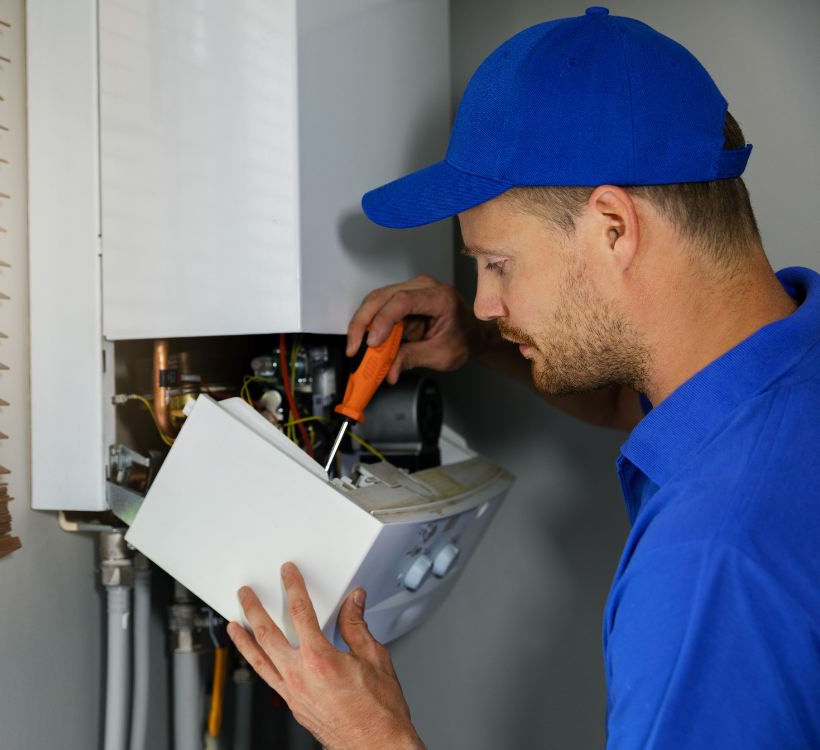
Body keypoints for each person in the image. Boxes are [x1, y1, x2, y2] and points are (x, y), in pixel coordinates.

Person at [226, 8, 820, 750]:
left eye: (497, 264)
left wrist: (374, 738)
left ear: (612, 227)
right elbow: (638, 401)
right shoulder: (789, 357)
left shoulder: (709, 566)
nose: (483, 301)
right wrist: (482, 340)